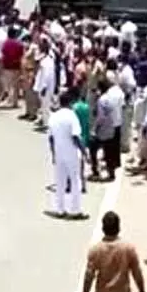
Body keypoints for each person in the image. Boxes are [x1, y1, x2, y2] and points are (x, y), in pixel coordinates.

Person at [47, 90, 88, 220]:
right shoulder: (71, 116)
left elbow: (51, 138)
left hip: (59, 153)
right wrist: (84, 152)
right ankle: (75, 210)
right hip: (71, 152)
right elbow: (75, 136)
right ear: (70, 102)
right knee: (75, 181)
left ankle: (60, 209)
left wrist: (53, 153)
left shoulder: (53, 116)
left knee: (60, 182)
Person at [91, 76, 123, 181]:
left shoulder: (101, 100)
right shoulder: (110, 98)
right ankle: (111, 173)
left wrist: (94, 129)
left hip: (103, 129)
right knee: (109, 151)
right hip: (111, 127)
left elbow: (100, 117)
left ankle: (95, 170)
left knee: (93, 148)